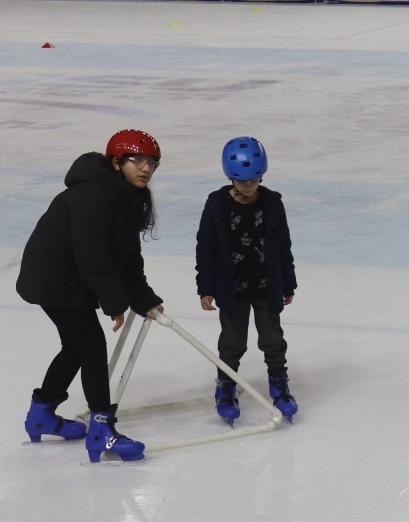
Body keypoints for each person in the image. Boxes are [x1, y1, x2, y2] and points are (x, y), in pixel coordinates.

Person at [17, 130, 165, 463]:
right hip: (54, 279)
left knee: (76, 347)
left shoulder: (126, 196)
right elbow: (93, 256)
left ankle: (41, 416)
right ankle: (101, 432)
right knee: (92, 347)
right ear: (116, 162)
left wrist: (142, 297)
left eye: (152, 163)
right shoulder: (93, 195)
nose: (146, 169)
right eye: (137, 161)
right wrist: (115, 304)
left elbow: (127, 258)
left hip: (69, 278)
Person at [196, 136, 299, 426]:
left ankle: (279, 384)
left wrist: (288, 282)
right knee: (232, 342)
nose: (249, 186)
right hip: (232, 289)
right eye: (242, 181)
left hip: (267, 286)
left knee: (272, 340)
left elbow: (283, 245)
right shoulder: (217, 204)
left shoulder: (273, 203)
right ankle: (226, 386)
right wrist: (205, 287)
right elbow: (205, 248)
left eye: (254, 180)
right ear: (230, 177)